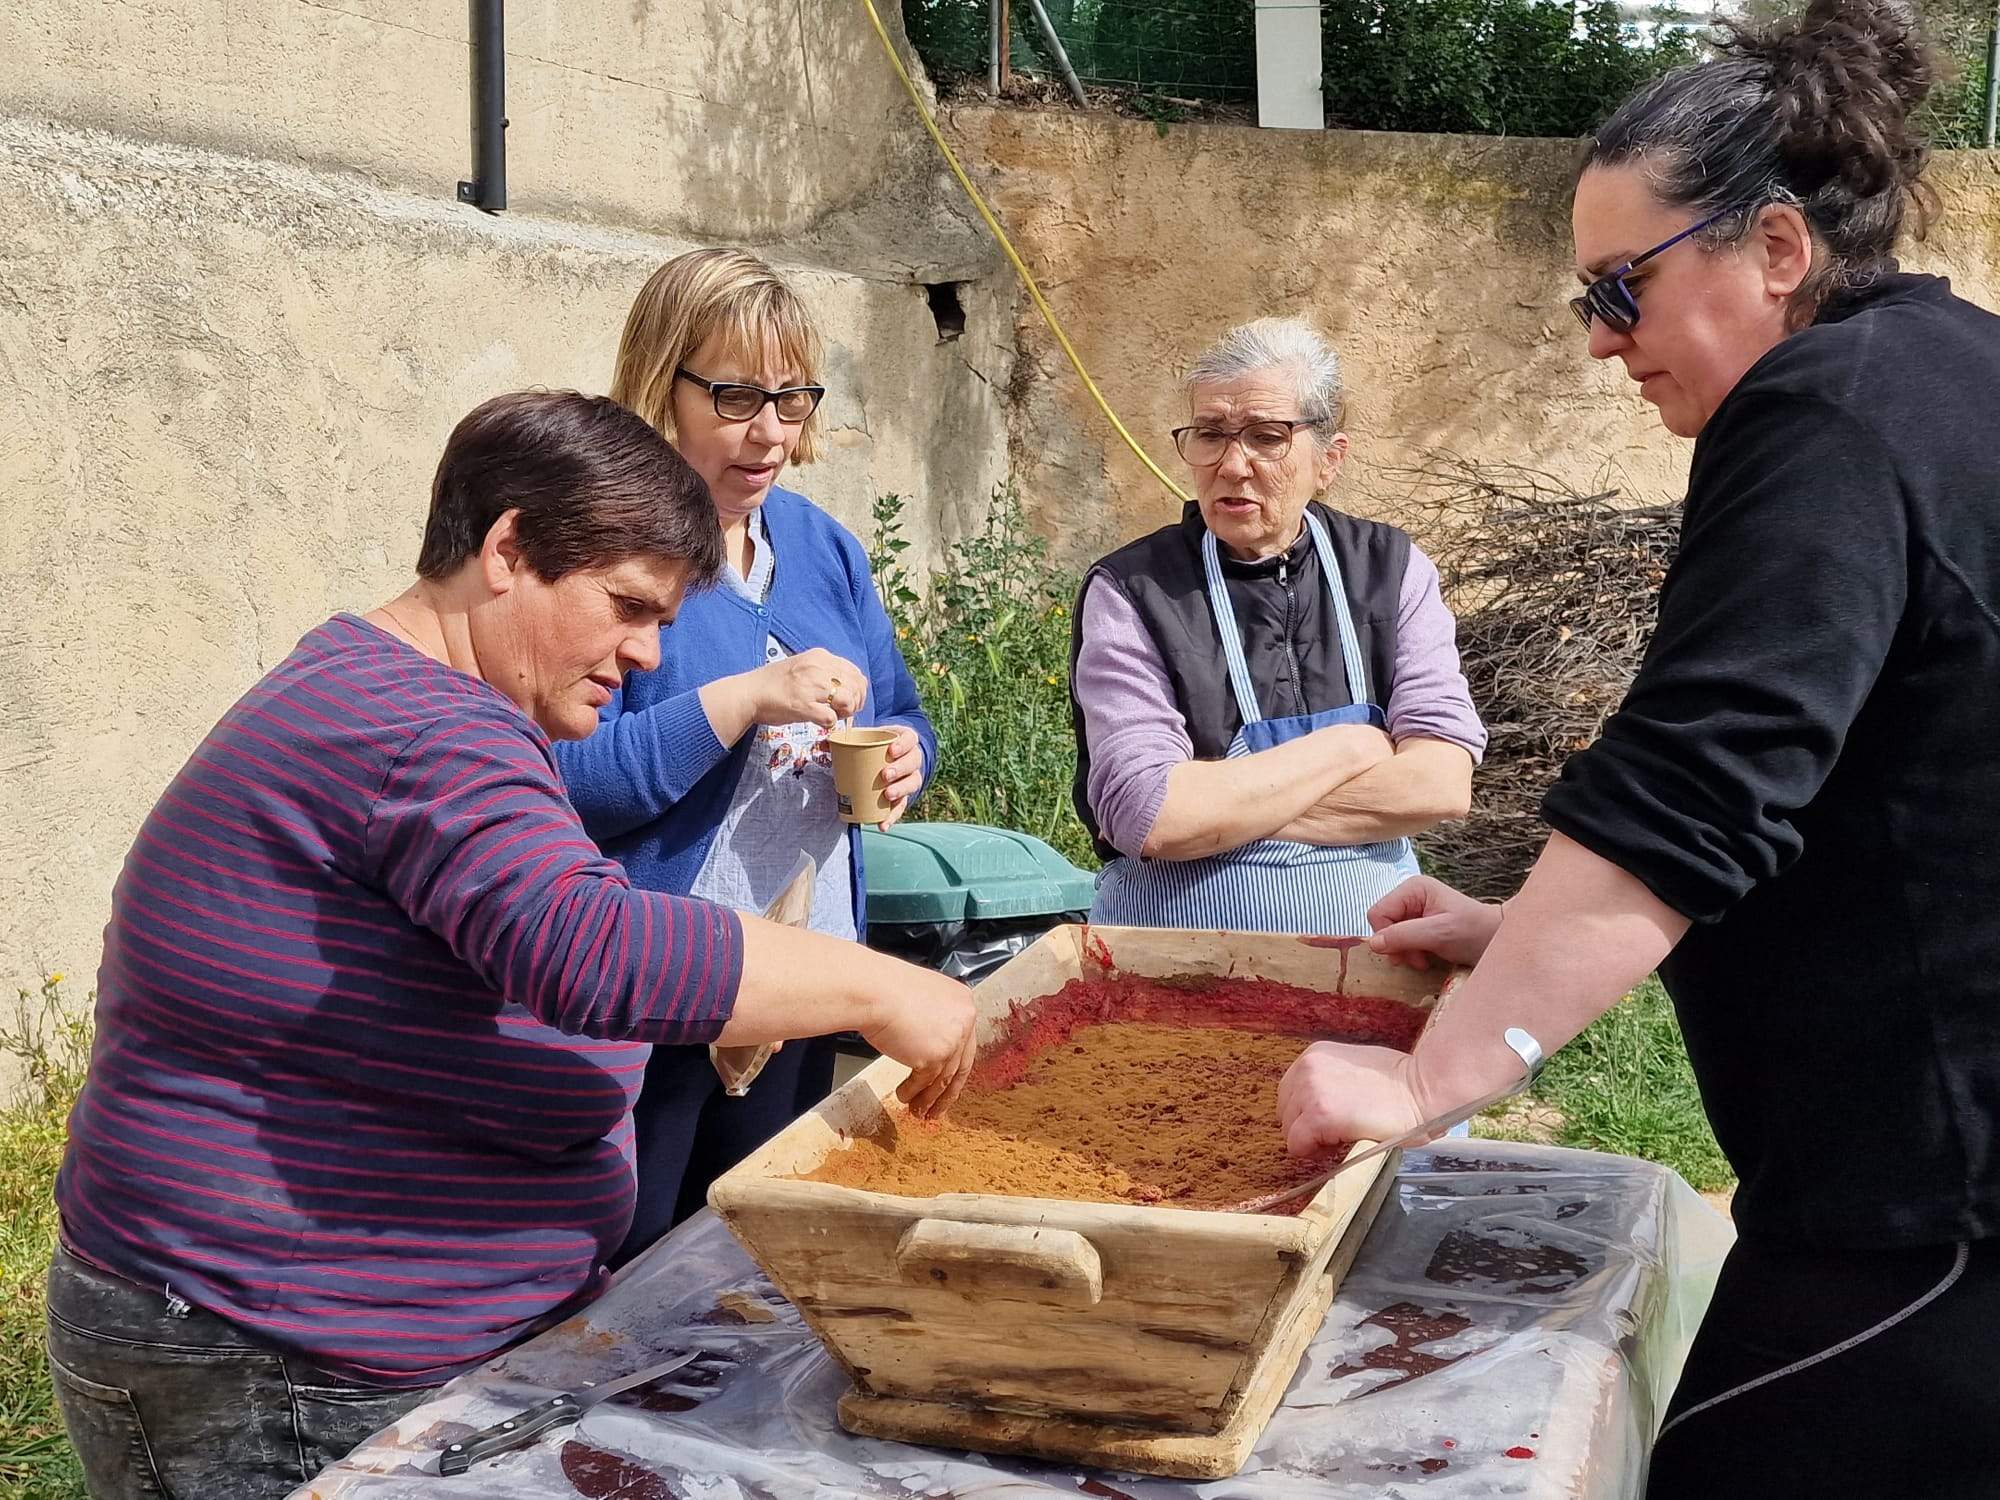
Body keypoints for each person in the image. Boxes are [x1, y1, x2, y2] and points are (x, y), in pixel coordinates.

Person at [1274, 3, 2000, 1494]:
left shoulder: (1824, 416)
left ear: (1779, 250)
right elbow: (1868, 800)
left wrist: (1431, 1088)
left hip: (1931, 1208)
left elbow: (1699, 786)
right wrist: (1523, 929)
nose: (1603, 338)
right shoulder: (1953, 373)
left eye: (1624, 286)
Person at [45, 391, 977, 1500]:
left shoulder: (399, 692)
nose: (642, 654)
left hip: (302, 1329)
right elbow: (585, 949)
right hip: (275, 1354)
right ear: (506, 550)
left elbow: (515, 922)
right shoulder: (424, 727)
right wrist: (875, 988)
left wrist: (729, 996)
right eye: (627, 607)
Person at [553, 250, 936, 1258]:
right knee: (627, 1278)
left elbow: (902, 710)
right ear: (659, 383)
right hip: (652, 999)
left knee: (756, 1268)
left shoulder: (821, 547)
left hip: (800, 981)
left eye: (791, 398)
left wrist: (905, 757)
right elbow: (561, 788)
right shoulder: (604, 552)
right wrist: (743, 701)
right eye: (732, 396)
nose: (768, 432)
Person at [1069, 316, 1485, 936]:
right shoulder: (1133, 591)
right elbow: (1149, 817)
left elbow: (1440, 783)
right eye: (1211, 434)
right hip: (1176, 967)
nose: (1233, 465)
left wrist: (1220, 809)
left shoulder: (1392, 569)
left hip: (1377, 957)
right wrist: (1353, 747)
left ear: (1329, 459)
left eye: (1266, 436)